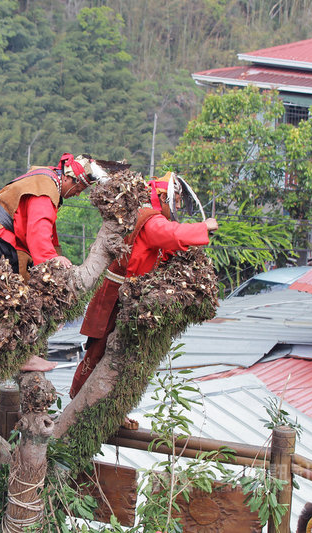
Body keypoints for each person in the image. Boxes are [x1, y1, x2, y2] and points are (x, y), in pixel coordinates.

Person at [0, 153, 129, 371]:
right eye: (78, 189)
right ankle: (17, 357)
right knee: (7, 297)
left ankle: (8, 351)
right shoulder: (46, 188)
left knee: (4, 296)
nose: (77, 194)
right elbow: (37, 230)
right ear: (69, 180)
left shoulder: (47, 178)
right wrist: (52, 261)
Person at [69, 172, 218, 427]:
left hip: (130, 296)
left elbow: (168, 245)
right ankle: (77, 407)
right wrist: (203, 228)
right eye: (177, 200)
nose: (179, 206)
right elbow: (169, 235)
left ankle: (109, 413)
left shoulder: (149, 215)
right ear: (163, 196)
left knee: (122, 361)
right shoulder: (148, 218)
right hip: (115, 295)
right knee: (97, 354)